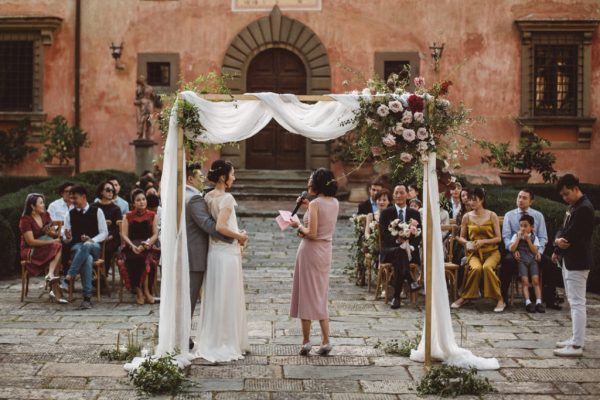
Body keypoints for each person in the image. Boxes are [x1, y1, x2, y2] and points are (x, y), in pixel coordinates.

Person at [194, 160, 249, 363]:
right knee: (227, 295)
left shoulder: (208, 197)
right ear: (223, 177)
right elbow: (220, 227)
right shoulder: (227, 198)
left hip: (214, 252)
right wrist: (240, 236)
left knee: (217, 295)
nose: (234, 177)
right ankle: (225, 341)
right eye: (232, 174)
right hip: (226, 253)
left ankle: (216, 338)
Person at [289, 168, 339, 356]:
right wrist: (307, 206)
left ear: (318, 183)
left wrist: (297, 225)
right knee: (320, 294)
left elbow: (312, 232)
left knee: (306, 295)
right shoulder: (334, 202)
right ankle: (326, 340)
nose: (308, 182)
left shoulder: (316, 204)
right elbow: (323, 223)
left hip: (310, 251)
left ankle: (306, 341)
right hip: (325, 251)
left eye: (310, 179)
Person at [185, 162, 233, 350]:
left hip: (183, 254)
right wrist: (232, 237)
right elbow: (206, 224)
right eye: (199, 177)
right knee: (189, 299)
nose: (203, 180)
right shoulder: (195, 198)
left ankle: (181, 334)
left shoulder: (180, 195)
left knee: (183, 298)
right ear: (190, 178)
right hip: (194, 256)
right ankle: (182, 336)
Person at [553, 174, 595, 357]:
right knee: (573, 301)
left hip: (578, 260)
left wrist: (561, 243)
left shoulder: (584, 208)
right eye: (562, 195)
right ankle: (575, 338)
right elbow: (563, 229)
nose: (565, 198)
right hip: (569, 260)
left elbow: (572, 234)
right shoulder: (575, 206)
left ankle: (577, 345)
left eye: (566, 193)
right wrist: (557, 243)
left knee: (577, 303)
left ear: (576, 188)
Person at [500, 189, 557, 310]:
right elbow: (506, 237)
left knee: (550, 263)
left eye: (524, 198)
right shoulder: (509, 215)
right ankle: (503, 297)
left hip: (533, 250)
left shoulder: (538, 216)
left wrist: (539, 252)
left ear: (531, 201)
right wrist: (512, 249)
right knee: (507, 262)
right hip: (516, 250)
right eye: (519, 197)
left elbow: (543, 237)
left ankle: (549, 299)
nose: (520, 200)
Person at [451, 187, 505, 312]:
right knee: (476, 268)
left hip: (491, 252)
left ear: (482, 200)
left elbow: (498, 238)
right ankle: (465, 297)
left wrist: (483, 241)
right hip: (474, 253)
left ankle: (499, 299)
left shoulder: (492, 215)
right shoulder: (467, 217)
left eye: (474, 200)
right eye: (470, 200)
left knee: (487, 268)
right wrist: (469, 243)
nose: (471, 203)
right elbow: (462, 237)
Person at [63, 185, 108, 309]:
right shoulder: (69, 214)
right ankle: (87, 298)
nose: (72, 201)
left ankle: (69, 276)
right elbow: (66, 240)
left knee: (87, 246)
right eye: (71, 198)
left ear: (84, 197)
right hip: (77, 247)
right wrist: (67, 237)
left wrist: (91, 240)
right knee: (86, 258)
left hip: (94, 246)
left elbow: (104, 232)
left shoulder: (97, 211)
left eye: (75, 198)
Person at [378, 184, 422, 309]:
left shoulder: (414, 213)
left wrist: (411, 245)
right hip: (390, 250)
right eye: (396, 193)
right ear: (393, 196)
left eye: (401, 193)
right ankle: (410, 280)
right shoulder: (387, 212)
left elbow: (418, 234)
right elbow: (384, 234)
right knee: (399, 252)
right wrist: (397, 240)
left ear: (407, 195)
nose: (399, 195)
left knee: (400, 257)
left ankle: (396, 298)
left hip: (409, 250)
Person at [19, 193, 65, 303]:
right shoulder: (25, 220)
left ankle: (51, 275)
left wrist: (51, 233)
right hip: (30, 250)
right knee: (57, 246)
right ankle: (54, 285)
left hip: (46, 247)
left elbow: (53, 233)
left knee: (57, 247)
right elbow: (31, 241)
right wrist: (53, 240)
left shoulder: (46, 215)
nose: (44, 205)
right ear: (32, 206)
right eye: (41, 203)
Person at [118, 189, 159, 305]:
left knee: (144, 259)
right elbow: (124, 235)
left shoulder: (152, 215)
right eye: (138, 200)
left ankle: (146, 291)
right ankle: (139, 291)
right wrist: (132, 246)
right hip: (131, 246)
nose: (141, 202)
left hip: (147, 245)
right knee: (133, 258)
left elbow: (155, 234)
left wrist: (147, 244)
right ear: (133, 203)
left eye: (143, 199)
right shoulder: (127, 216)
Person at [509, 214, 544, 312]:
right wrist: (518, 239)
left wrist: (529, 240)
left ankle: (538, 302)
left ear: (532, 227)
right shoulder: (516, 236)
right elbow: (512, 248)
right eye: (521, 226)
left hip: (532, 261)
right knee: (525, 281)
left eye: (525, 226)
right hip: (522, 262)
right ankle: (528, 302)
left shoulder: (534, 237)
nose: (523, 228)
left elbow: (535, 251)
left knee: (536, 280)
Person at [95, 181, 123, 273]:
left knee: (108, 249)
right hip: (96, 236)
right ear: (101, 192)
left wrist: (109, 237)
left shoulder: (116, 209)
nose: (111, 192)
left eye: (112, 190)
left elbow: (117, 228)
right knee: (94, 247)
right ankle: (94, 273)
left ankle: (103, 274)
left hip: (112, 237)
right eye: (108, 190)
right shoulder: (94, 207)